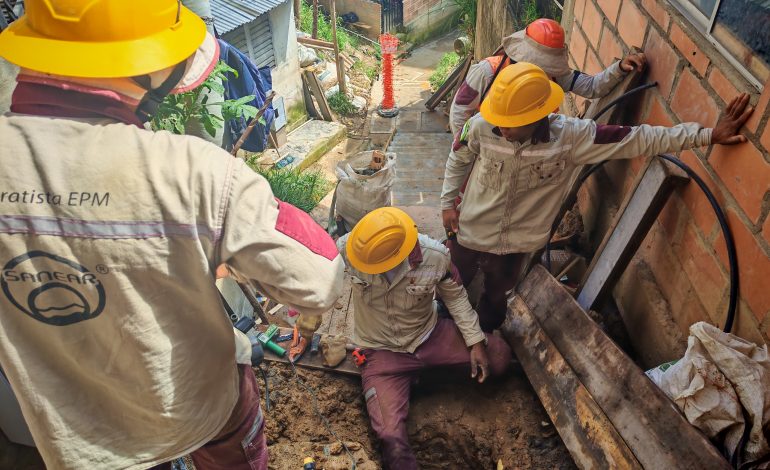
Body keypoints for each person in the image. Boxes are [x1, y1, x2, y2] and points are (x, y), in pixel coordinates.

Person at [0, 1, 344, 469]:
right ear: (156, 64)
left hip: (79, 437)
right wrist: (246, 207)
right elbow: (319, 278)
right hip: (204, 411)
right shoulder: (195, 173)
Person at [442, 62, 753, 332]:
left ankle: (483, 336)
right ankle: (441, 323)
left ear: (537, 116)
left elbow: (638, 138)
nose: (502, 127)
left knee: (496, 296)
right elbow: (457, 158)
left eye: (511, 123)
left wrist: (708, 134)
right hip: (472, 230)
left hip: (517, 244)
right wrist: (446, 204)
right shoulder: (479, 127)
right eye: (498, 118)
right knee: (451, 279)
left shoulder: (573, 138)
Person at [337, 207, 513, 469]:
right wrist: (305, 329)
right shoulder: (347, 251)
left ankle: (421, 377)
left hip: (429, 335)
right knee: (391, 437)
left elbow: (455, 295)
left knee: (498, 357)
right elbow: (319, 288)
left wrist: (475, 341)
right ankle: (408, 380)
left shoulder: (435, 256)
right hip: (381, 351)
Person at [449, 18, 647, 135]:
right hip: (485, 148)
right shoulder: (487, 71)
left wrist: (619, 69)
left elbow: (593, 86)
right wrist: (466, 150)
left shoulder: (555, 76)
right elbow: (460, 112)